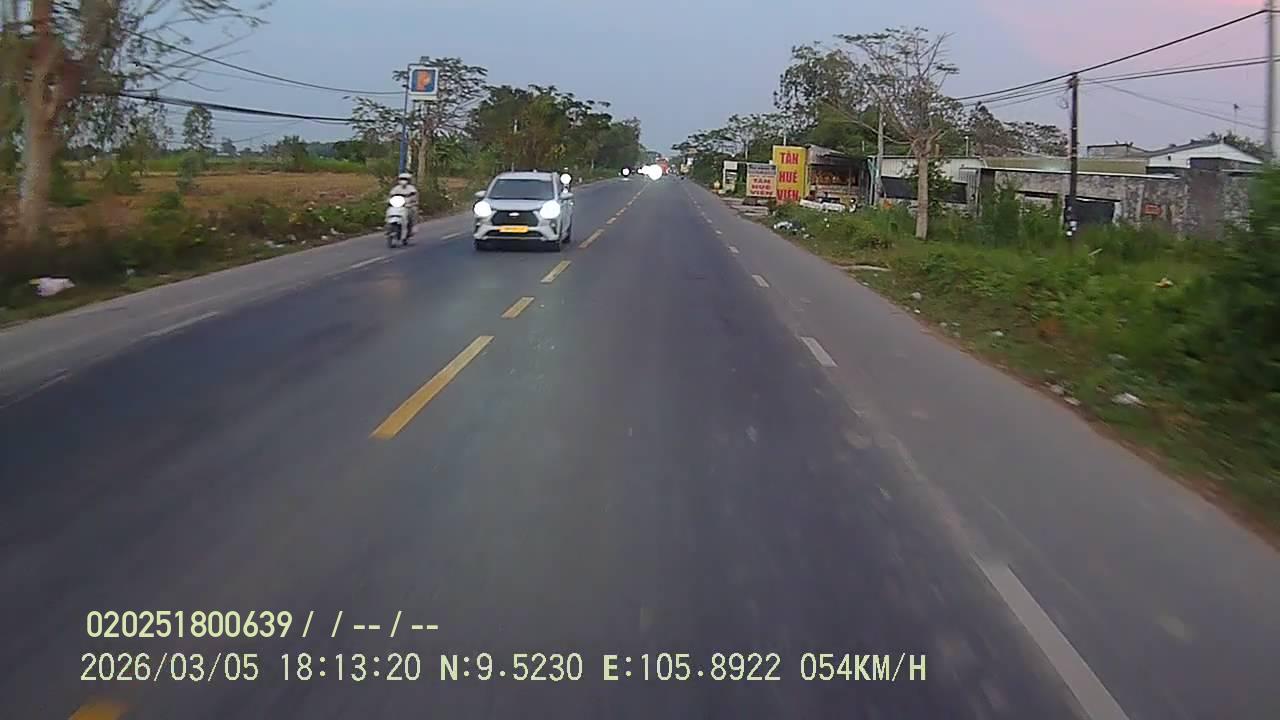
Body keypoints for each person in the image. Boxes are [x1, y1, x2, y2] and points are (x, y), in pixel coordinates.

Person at [389, 172, 418, 237]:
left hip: (408, 206)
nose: (403, 181)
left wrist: (413, 202)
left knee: (414, 211)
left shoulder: (411, 188)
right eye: (402, 179)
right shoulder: (396, 188)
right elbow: (391, 195)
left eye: (405, 179)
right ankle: (389, 226)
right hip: (398, 206)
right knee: (389, 211)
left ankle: (413, 226)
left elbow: (414, 196)